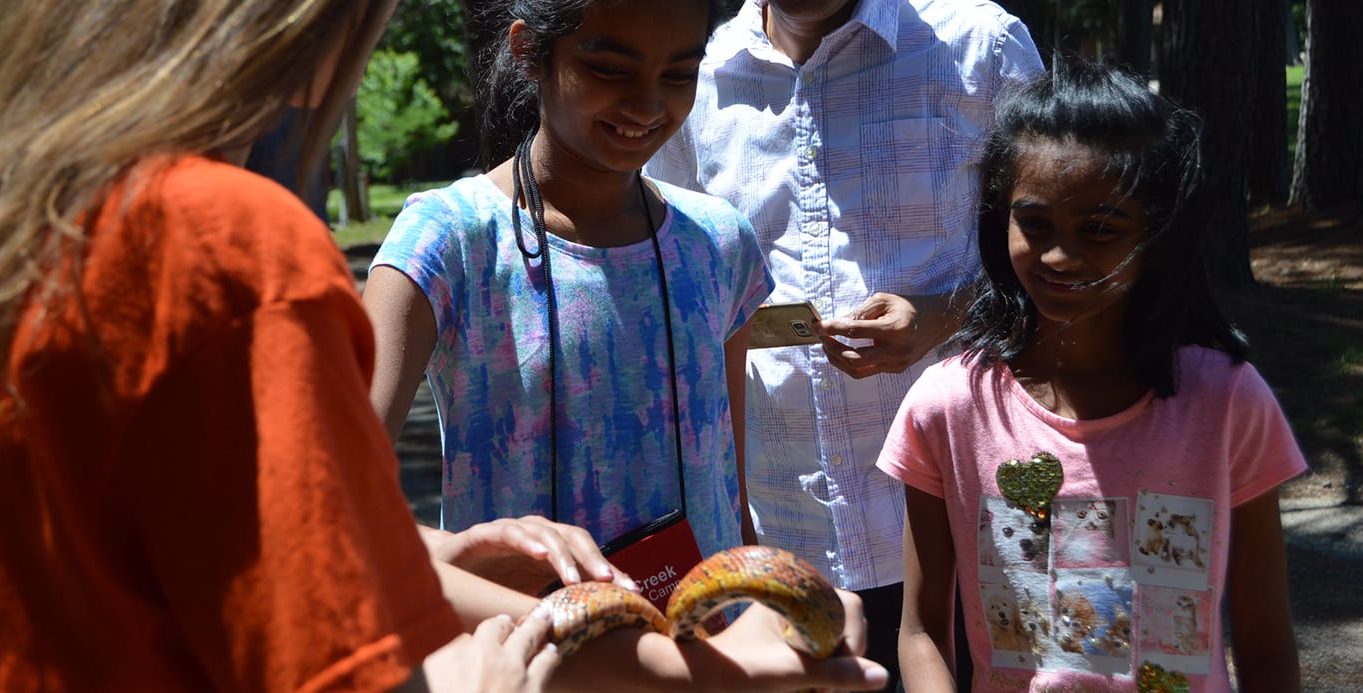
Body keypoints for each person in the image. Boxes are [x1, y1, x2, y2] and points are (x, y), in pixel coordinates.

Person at [0, 0, 887, 689]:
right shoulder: (225, 252)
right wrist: (710, 669)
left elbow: (194, 541)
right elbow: (346, 662)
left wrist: (421, 548)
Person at [645, 0, 1043, 686]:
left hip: (972, 537)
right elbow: (675, 293)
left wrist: (943, 314)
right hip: (775, 548)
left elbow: (1066, 260)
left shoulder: (979, 48)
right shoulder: (696, 79)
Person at [877, 60, 1304, 692]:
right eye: (1036, 223)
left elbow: (1266, 645)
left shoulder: (1229, 403)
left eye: (1099, 229)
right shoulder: (947, 407)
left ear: (1157, 232)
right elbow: (920, 633)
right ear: (1002, 219)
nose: (1060, 255)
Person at [364, 0, 772, 572]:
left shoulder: (719, 243)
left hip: (708, 644)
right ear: (529, 51)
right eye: (610, 69)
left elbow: (725, 481)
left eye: (679, 74)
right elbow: (340, 485)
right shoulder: (449, 240)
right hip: (529, 649)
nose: (647, 103)